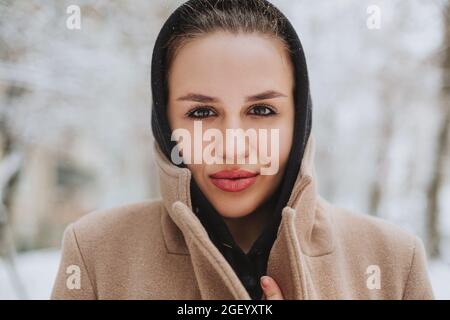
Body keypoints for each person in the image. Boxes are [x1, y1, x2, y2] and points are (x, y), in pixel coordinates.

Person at [51, 0, 434, 299]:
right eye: (201, 112)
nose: (232, 145)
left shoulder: (394, 262)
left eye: (262, 110)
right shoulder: (96, 253)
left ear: (299, 119)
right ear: (165, 122)